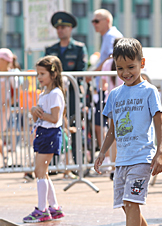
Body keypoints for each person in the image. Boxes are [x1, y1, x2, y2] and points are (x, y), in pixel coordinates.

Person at [94, 38, 162, 226]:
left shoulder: (149, 91)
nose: (125, 73)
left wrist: (161, 151)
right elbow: (112, 130)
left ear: (141, 63)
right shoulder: (114, 95)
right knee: (127, 205)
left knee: (131, 202)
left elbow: (159, 123)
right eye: (120, 68)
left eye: (131, 67)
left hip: (142, 157)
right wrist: (102, 152)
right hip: (122, 160)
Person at [23, 56, 66, 223]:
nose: (39, 77)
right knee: (42, 172)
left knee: (39, 171)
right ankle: (54, 207)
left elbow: (55, 118)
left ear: (53, 74)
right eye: (38, 74)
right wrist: (35, 112)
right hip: (42, 132)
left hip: (50, 134)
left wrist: (38, 112)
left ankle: (42, 209)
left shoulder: (55, 93)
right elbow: (39, 118)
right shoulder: (44, 93)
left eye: (42, 73)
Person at [45, 11, 88, 165]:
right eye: (58, 27)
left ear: (70, 29)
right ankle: (55, 163)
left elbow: (81, 72)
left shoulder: (79, 48)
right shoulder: (50, 49)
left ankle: (78, 164)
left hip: (72, 95)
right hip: (55, 96)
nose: (60, 30)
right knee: (53, 126)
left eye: (63, 27)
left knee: (75, 128)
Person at [90, 9, 123, 169]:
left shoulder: (111, 36)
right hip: (110, 90)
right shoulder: (108, 36)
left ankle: (112, 161)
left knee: (112, 128)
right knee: (111, 128)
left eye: (97, 21)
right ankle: (112, 161)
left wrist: (94, 72)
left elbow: (111, 58)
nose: (94, 24)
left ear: (107, 21)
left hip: (112, 91)